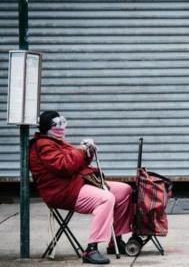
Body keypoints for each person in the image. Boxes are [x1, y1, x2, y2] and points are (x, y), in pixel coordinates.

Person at [29, 111, 133, 264]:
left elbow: (76, 163)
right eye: (58, 124)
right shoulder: (43, 145)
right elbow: (65, 167)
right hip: (63, 192)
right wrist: (80, 150)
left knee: (125, 190)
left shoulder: (55, 142)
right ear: (49, 128)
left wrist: (88, 152)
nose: (62, 128)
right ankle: (91, 249)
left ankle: (115, 241)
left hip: (76, 184)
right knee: (106, 198)